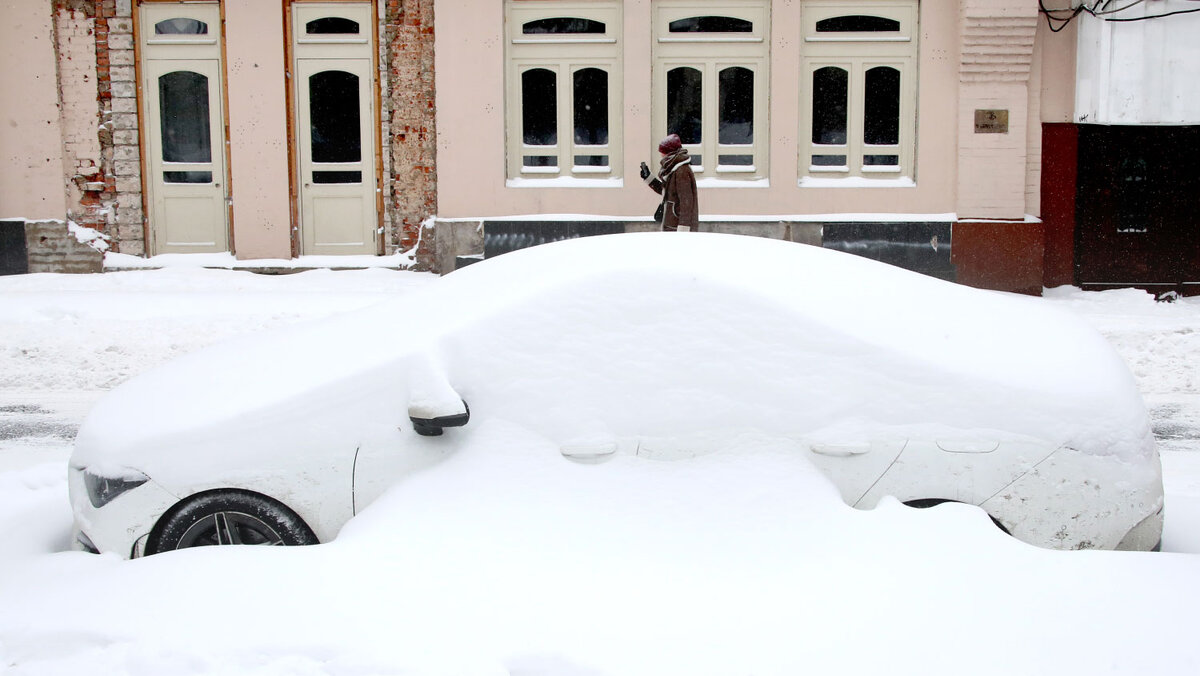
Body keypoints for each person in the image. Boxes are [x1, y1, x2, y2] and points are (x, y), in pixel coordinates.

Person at [640, 133, 698, 232]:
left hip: (677, 227)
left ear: (669, 153)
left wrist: (683, 228)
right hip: (672, 224)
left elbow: (687, 202)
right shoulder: (673, 168)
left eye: (663, 152)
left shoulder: (681, 171)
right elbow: (666, 192)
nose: (661, 155)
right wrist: (648, 177)